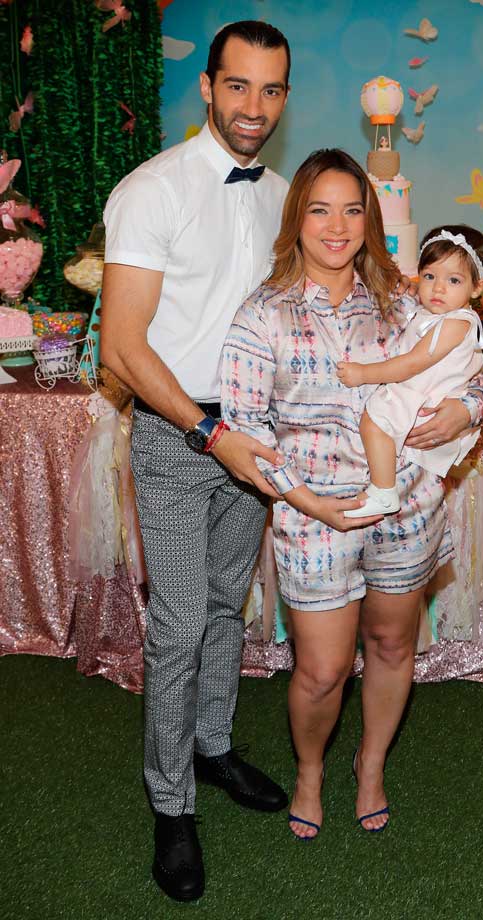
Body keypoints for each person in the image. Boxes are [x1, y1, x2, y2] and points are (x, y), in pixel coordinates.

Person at [220, 149, 483, 840]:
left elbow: (468, 368)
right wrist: (304, 501)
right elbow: (243, 429)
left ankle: (370, 765)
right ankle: (310, 770)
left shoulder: (407, 295)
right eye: (320, 208)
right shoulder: (264, 315)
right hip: (315, 514)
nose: (337, 225)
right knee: (321, 668)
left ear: (369, 217)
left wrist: (469, 409)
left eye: (352, 208)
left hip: (406, 505)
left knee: (393, 643)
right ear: (297, 219)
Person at [100, 20, 293, 903]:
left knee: (225, 605)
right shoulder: (151, 190)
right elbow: (123, 347)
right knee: (178, 622)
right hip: (180, 439)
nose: (254, 107)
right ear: (208, 88)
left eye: (272, 90)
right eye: (239, 86)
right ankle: (170, 804)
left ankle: (212, 747)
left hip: (252, 435)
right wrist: (211, 434)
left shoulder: (285, 194)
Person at [340, 224, 483, 517]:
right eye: (430, 276)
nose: (438, 288)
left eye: (454, 280)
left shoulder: (456, 322)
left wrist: (363, 374)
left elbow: (412, 363)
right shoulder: (431, 313)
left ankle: (383, 491)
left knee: (374, 421)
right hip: (418, 392)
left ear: (478, 287)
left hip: (421, 399)